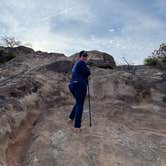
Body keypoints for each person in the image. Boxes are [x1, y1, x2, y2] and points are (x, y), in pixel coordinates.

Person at [68, 50, 91, 133]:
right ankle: (77, 126)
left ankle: (71, 118)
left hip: (72, 85)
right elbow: (88, 72)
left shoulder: (76, 64)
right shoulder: (81, 63)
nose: (85, 57)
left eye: (86, 56)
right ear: (80, 56)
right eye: (83, 55)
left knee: (78, 102)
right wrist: (87, 69)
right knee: (80, 104)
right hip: (80, 85)